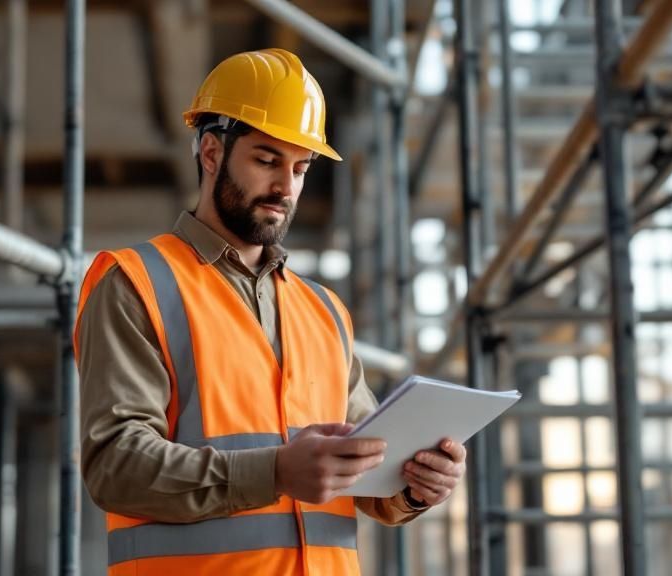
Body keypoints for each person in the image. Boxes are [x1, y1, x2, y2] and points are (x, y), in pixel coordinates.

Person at [75, 48, 466, 576]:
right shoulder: (136, 283)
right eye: (266, 160)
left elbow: (369, 474)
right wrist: (276, 472)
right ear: (211, 153)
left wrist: (416, 484)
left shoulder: (324, 311)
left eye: (301, 167)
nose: (286, 187)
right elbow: (115, 467)